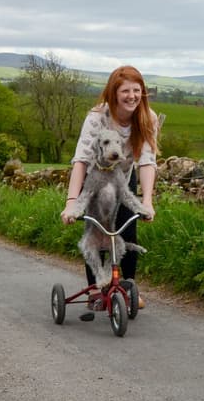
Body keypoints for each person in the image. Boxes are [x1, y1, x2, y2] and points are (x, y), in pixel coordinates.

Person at [61, 65, 159, 318]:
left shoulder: (148, 118)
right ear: (114, 93)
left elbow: (147, 161)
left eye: (137, 91)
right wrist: (72, 202)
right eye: (125, 91)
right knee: (96, 230)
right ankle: (96, 288)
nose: (132, 96)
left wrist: (147, 201)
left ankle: (127, 287)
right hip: (95, 176)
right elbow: (81, 159)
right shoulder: (97, 118)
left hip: (123, 178)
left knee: (128, 229)